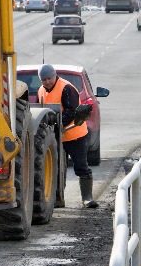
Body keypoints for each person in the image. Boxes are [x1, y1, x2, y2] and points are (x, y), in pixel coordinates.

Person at [38, 64, 98, 208]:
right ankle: (57, 199)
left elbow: (71, 112)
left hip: (74, 135)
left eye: (49, 78)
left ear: (55, 75)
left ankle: (87, 198)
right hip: (55, 137)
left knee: (80, 166)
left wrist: (59, 126)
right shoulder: (41, 91)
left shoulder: (66, 88)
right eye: (44, 80)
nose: (47, 82)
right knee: (57, 168)